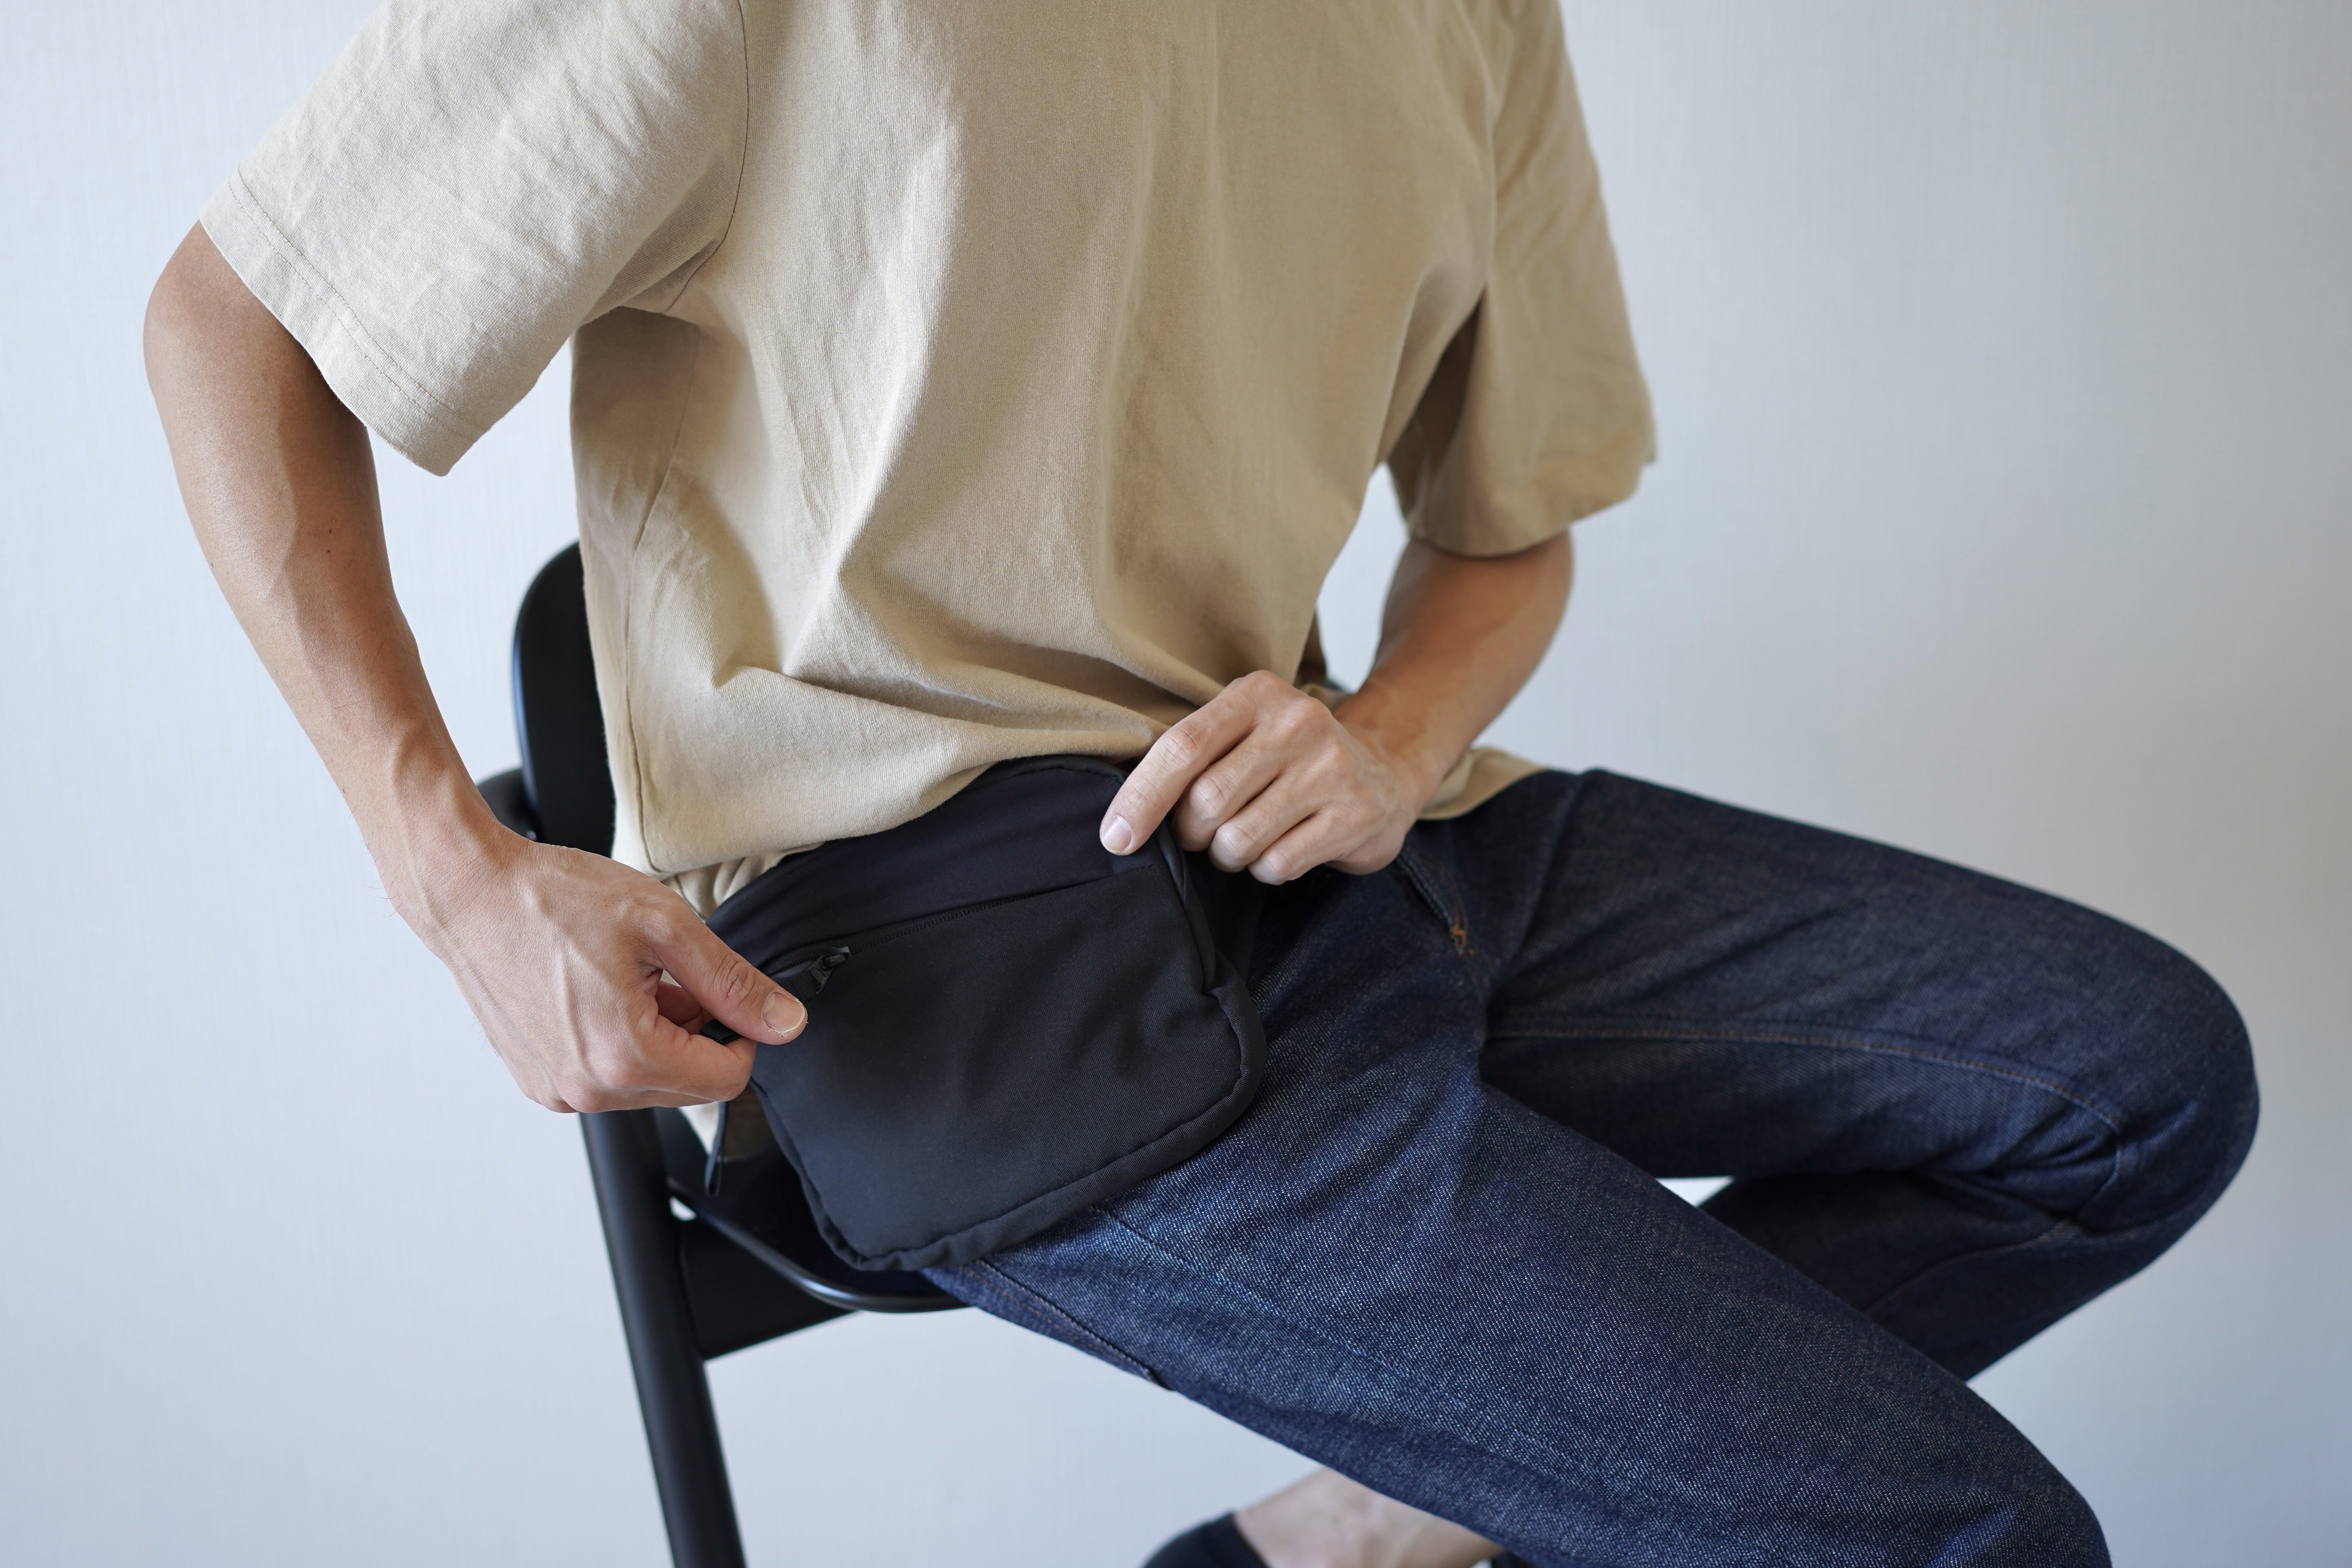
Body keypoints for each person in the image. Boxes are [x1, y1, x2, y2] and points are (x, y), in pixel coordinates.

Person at [143, 2, 2256, 1564]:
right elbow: (233, 323)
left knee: (2139, 1085)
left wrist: (1395, 734)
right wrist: (458, 877)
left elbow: (1510, 526)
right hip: (955, 961)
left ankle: (1385, 1522)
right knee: (1974, 1541)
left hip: (1344, 834)